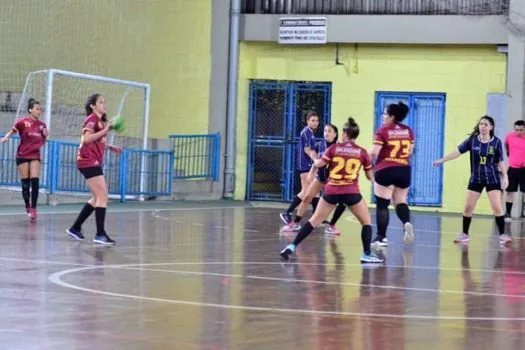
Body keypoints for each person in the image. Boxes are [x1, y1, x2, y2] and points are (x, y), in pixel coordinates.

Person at [280, 117, 384, 264]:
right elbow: (369, 176)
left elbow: (320, 163)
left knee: (313, 221)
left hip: (331, 190)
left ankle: (292, 246)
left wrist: (315, 160)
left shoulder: (334, 148)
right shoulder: (362, 152)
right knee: (366, 222)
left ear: (345, 134)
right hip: (351, 192)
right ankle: (366, 254)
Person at [433, 115, 511, 246]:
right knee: (468, 207)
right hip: (476, 178)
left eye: (486, 124)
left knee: (497, 207)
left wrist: (505, 176)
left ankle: (503, 235)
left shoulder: (496, 142)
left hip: (492, 179)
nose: (483, 127)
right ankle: (464, 234)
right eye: (481, 124)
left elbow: (501, 161)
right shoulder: (472, 141)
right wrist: (442, 160)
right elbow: (457, 152)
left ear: (491, 127)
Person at [65, 94, 122, 245]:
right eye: (100, 102)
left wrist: (108, 147)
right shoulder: (91, 119)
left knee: (97, 198)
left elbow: (96, 140)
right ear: (92, 106)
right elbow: (87, 139)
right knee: (103, 196)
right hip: (88, 161)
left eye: (104, 102)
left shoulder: (99, 122)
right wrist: (107, 129)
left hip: (90, 161)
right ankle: (100, 234)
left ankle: (75, 228)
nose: (104, 105)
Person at [282, 123, 346, 234]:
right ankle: (295, 223)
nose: (326, 133)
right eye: (325, 131)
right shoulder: (319, 145)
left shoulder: (338, 147)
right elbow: (315, 158)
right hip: (320, 177)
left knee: (337, 203)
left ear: (335, 134)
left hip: (332, 180)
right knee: (307, 197)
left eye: (329, 131)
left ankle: (331, 226)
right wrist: (312, 172)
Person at [369, 101, 415, 247]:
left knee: (382, 204)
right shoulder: (408, 131)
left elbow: (374, 153)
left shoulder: (383, 131)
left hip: (386, 168)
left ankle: (381, 237)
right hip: (404, 169)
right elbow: (410, 151)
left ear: (392, 116)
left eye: (385, 113)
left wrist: (368, 166)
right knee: (401, 201)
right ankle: (406, 222)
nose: (383, 116)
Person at [0, 99, 48, 219]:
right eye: (37, 108)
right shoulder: (22, 122)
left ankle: (33, 208)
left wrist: (45, 136)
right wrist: (6, 138)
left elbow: (43, 140)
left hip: (35, 155)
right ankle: (27, 205)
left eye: (40, 109)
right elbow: (12, 131)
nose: (39, 111)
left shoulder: (42, 125)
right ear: (30, 110)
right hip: (22, 155)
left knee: (35, 181)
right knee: (25, 184)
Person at [280, 111, 319, 224]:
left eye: (316, 121)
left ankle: (316, 215)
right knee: (306, 191)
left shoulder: (311, 133)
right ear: (307, 121)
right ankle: (287, 212)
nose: (315, 123)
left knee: (315, 191)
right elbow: (307, 150)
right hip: (305, 165)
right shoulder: (306, 132)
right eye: (312, 120)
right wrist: (316, 159)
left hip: (309, 165)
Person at [503, 120, 525, 221]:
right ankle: (508, 214)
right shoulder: (509, 137)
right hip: (512, 168)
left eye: (521, 130)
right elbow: (507, 148)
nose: (518, 132)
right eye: (516, 130)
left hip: (524, 169)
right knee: (510, 192)